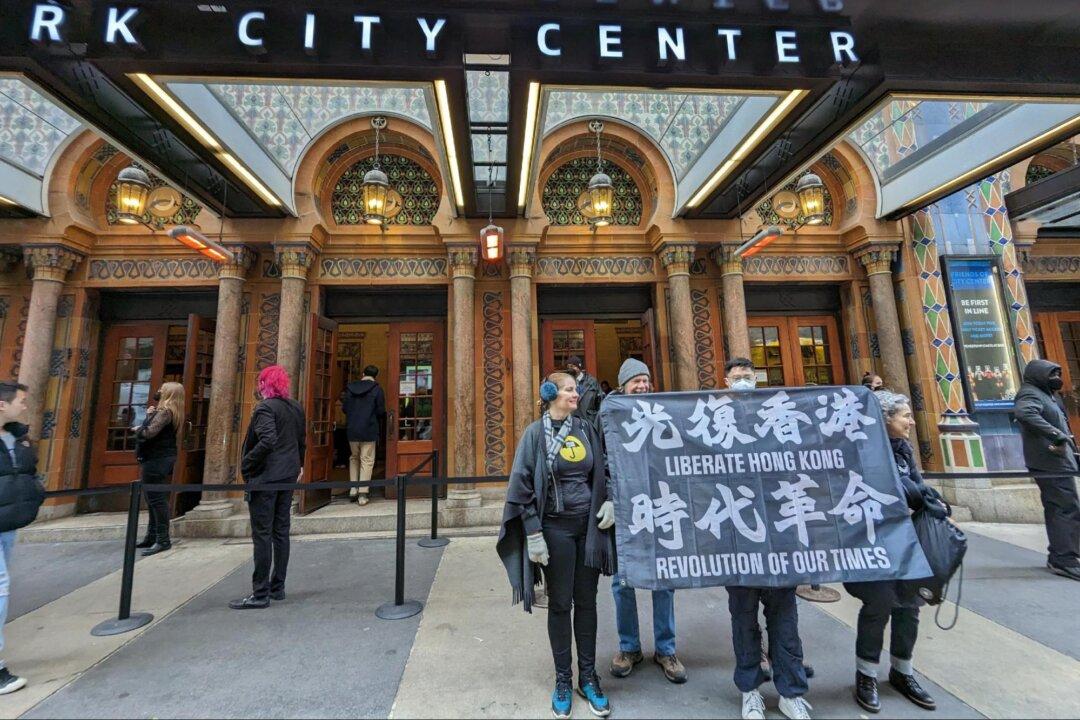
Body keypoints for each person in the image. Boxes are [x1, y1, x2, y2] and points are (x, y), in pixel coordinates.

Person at [497, 371, 614, 719]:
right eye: (569, 390)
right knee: (561, 604)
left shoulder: (585, 429)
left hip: (588, 529)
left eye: (576, 390)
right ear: (551, 393)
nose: (576, 395)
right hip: (555, 532)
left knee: (588, 603)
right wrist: (533, 531)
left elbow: (603, 468)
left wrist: (610, 500)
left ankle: (588, 678)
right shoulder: (535, 435)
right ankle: (563, 679)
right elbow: (520, 486)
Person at [845, 390, 948, 713]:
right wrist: (917, 496)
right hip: (874, 542)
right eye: (905, 415)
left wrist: (931, 501)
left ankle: (903, 670)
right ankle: (867, 674)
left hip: (908, 540)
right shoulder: (862, 450)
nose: (912, 421)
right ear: (885, 419)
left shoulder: (903, 450)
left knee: (910, 605)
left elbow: (917, 487)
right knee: (879, 604)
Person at [722, 358, 813, 720]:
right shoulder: (713, 419)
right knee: (743, 620)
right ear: (725, 381)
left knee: (785, 620)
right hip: (738, 540)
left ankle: (791, 691)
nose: (743, 382)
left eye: (748, 377)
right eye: (736, 377)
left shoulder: (775, 416)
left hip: (779, 538)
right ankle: (749, 689)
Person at [604, 358, 687, 684]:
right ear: (623, 385)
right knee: (622, 582)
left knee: (663, 580)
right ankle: (629, 647)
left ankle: (666, 649)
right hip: (625, 509)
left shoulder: (663, 413)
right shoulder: (608, 415)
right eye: (636, 381)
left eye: (645, 381)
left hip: (660, 505)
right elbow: (605, 459)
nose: (642, 386)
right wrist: (609, 498)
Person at [230, 365, 306, 610]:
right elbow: (300, 441)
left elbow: (268, 440)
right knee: (281, 532)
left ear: (264, 385)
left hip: (266, 478)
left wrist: (247, 464)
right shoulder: (295, 407)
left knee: (262, 534)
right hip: (287, 476)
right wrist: (299, 465)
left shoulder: (265, 408)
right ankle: (278, 587)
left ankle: (260, 592)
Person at [1013, 359, 1079, 580]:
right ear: (1038, 375)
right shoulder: (1030, 393)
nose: (1056, 379)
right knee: (1064, 507)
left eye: (1058, 373)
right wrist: (1055, 434)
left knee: (1062, 506)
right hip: (1049, 462)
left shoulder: (1045, 394)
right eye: (1051, 374)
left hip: (1057, 461)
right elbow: (1025, 413)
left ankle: (1061, 554)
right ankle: (1065, 558)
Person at [0, 382, 43, 695]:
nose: (25, 406)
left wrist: (34, 492)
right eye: (21, 401)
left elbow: (26, 471)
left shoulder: (17, 436)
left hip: (9, 520)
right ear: (2, 404)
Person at [133, 383, 185, 556]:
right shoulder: (169, 411)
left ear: (168, 393)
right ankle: (152, 535)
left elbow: (149, 433)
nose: (159, 390)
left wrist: (138, 429)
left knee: (156, 499)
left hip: (157, 459)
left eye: (163, 388)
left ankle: (162, 539)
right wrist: (149, 415)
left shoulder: (165, 412)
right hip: (161, 458)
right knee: (152, 498)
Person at [340, 364, 386, 506]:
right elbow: (380, 411)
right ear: (375, 376)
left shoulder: (350, 388)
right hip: (369, 429)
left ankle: (353, 488)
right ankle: (363, 493)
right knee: (366, 459)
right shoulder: (377, 389)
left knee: (354, 458)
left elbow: (345, 408)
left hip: (352, 429)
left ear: (363, 373)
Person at [566, 356, 603, 428]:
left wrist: (595, 420)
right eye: (568, 366)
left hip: (589, 423)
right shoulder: (566, 382)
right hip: (571, 423)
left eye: (572, 366)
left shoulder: (592, 382)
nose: (570, 369)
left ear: (579, 367)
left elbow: (600, 402)